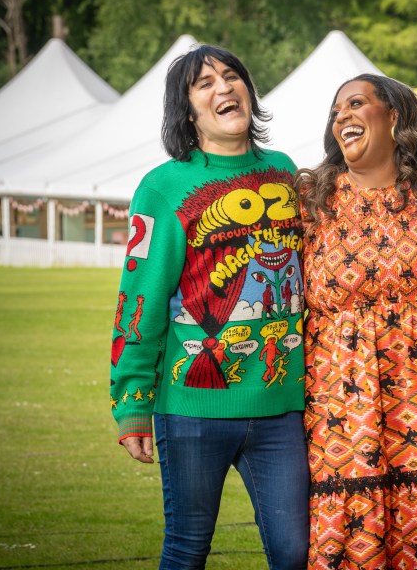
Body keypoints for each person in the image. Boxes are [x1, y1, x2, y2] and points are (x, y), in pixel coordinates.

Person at [109, 45, 308, 569]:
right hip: (191, 408)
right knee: (187, 550)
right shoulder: (163, 186)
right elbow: (140, 298)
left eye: (232, 75)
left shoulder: (286, 172)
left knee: (297, 553)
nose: (224, 87)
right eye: (205, 83)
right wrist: (131, 401)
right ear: (188, 109)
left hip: (280, 407)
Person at [298, 73, 417, 568]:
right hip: (344, 405)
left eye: (356, 104)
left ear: (395, 116)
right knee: (351, 535)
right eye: (336, 111)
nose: (342, 117)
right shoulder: (311, 199)